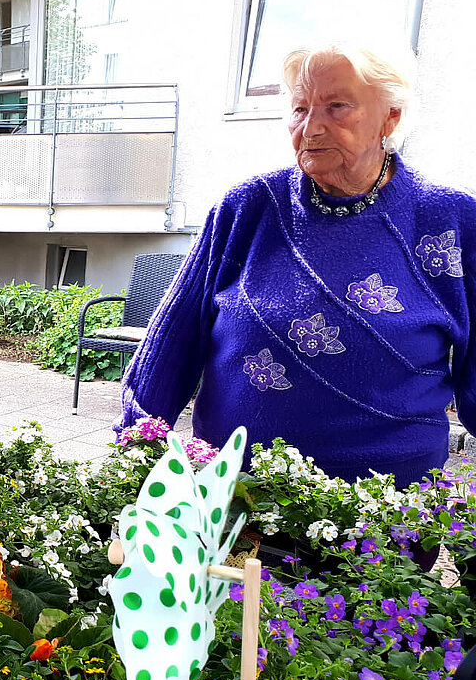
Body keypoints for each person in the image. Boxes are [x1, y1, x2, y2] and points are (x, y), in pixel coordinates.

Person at [118, 42, 476, 487]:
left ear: (391, 117)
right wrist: (136, 452)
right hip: (233, 495)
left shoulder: (453, 221)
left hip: (382, 511)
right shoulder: (248, 208)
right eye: (300, 108)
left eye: (337, 107)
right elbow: (175, 337)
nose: (311, 128)